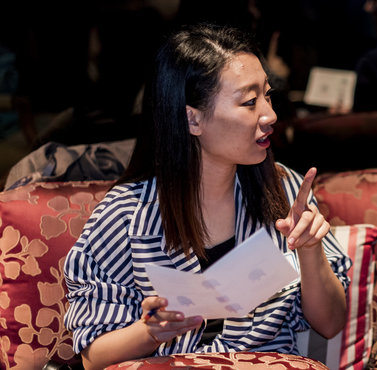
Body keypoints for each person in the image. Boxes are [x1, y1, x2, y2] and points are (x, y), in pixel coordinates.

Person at [63, 23, 351, 370]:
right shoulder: (126, 214)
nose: (270, 115)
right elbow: (93, 359)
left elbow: (331, 323)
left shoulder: (285, 189)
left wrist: (310, 249)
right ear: (192, 119)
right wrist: (151, 331)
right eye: (249, 101)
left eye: (268, 95)